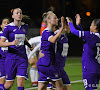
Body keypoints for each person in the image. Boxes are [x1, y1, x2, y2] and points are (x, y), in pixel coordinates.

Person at [0, 8, 32, 90]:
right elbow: (1, 43)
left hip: (22, 58)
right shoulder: (8, 28)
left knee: (21, 81)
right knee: (9, 84)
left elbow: (24, 38)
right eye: (17, 13)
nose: (19, 14)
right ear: (13, 16)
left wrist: (29, 45)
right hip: (11, 58)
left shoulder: (25, 26)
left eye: (20, 13)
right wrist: (11, 43)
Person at [66, 14, 100, 90]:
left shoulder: (91, 36)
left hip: (89, 69)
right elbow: (85, 38)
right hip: (97, 69)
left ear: (95, 27)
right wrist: (79, 25)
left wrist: (70, 23)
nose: (90, 26)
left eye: (91, 25)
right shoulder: (95, 37)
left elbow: (73, 31)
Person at [37, 11, 64, 90]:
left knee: (42, 88)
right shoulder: (47, 32)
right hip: (47, 64)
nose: (57, 19)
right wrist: (61, 28)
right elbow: (53, 40)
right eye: (54, 18)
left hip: (43, 64)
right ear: (48, 20)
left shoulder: (51, 32)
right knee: (61, 88)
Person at [47, 19, 71, 90]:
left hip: (61, 68)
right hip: (55, 68)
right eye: (70, 25)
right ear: (65, 26)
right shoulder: (56, 35)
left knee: (68, 87)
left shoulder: (65, 36)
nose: (71, 28)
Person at [0, 18, 10, 85]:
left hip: (10, 58)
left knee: (8, 81)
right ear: (1, 25)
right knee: (2, 78)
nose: (6, 24)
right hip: (1, 59)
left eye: (8, 22)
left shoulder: (11, 35)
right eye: (4, 22)